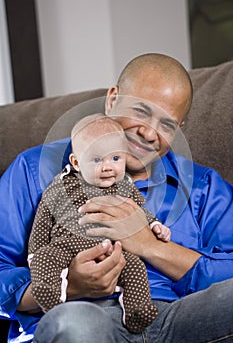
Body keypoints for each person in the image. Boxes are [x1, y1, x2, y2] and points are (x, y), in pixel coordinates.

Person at [0, 53, 233, 343]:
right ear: (112, 99)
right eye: (140, 111)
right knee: (75, 324)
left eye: (167, 125)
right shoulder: (34, 169)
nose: (148, 133)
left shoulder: (204, 186)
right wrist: (68, 286)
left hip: (182, 318)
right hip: (88, 316)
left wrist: (152, 247)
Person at [28, 113, 170, 333]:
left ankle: (137, 310)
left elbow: (140, 213)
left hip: (112, 250)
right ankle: (50, 294)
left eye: (115, 159)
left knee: (134, 267)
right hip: (67, 247)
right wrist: (34, 253)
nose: (107, 167)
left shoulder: (124, 186)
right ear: (76, 161)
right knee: (45, 259)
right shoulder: (61, 186)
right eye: (97, 160)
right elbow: (42, 221)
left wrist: (154, 225)